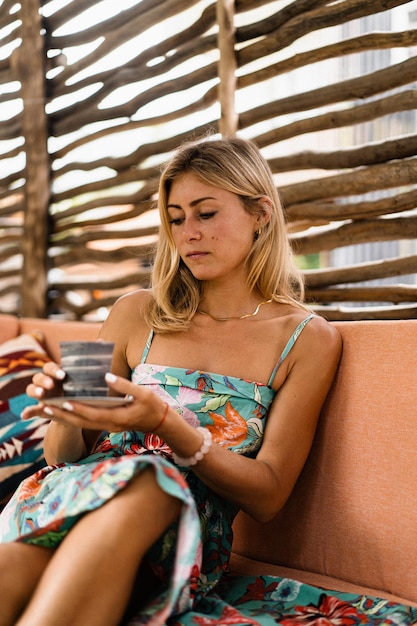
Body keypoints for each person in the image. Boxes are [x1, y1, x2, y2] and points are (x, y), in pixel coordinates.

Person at [0, 136, 342, 626]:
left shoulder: (306, 339)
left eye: (205, 213)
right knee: (16, 564)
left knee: (154, 479)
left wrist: (167, 424)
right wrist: (67, 414)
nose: (188, 234)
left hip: (180, 533)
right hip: (70, 497)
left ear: (261, 214)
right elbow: (62, 458)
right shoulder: (133, 312)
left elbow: (269, 497)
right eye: (176, 218)